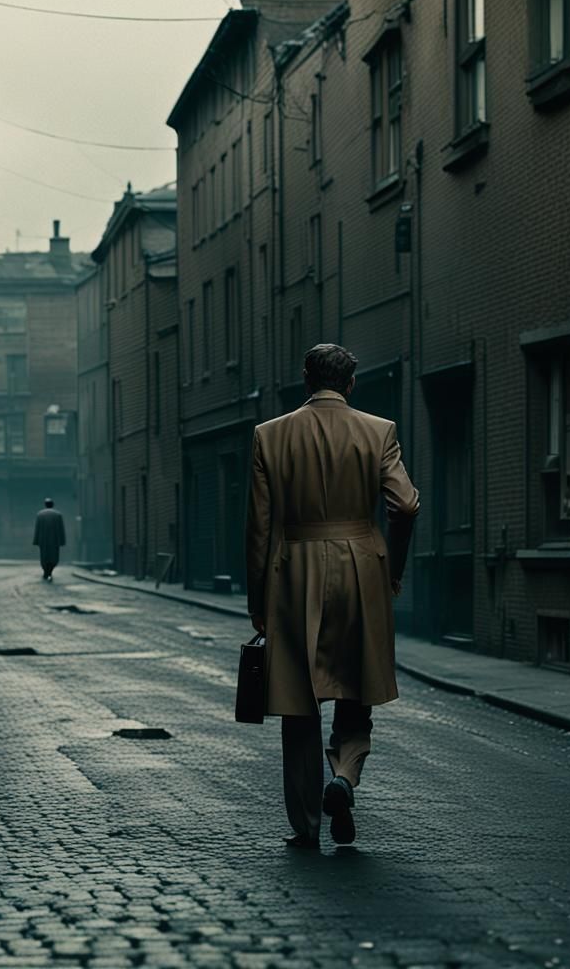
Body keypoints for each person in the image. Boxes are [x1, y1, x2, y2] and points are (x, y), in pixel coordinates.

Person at [245, 344, 420, 848]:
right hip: (362, 570)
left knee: (299, 701)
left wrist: (259, 599)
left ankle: (305, 822)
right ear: (351, 384)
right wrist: (394, 569)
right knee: (355, 687)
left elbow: (259, 528)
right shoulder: (378, 431)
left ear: (305, 379)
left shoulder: (269, 435)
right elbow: (405, 505)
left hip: (296, 571)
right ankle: (344, 776)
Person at [33, 498, 66, 581]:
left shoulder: (40, 514)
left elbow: (37, 528)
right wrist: (62, 540)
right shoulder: (58, 515)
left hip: (43, 540)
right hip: (54, 540)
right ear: (52, 504)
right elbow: (61, 529)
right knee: (54, 557)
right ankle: (49, 572)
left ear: (45, 504)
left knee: (44, 556)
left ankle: (46, 571)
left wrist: (36, 540)